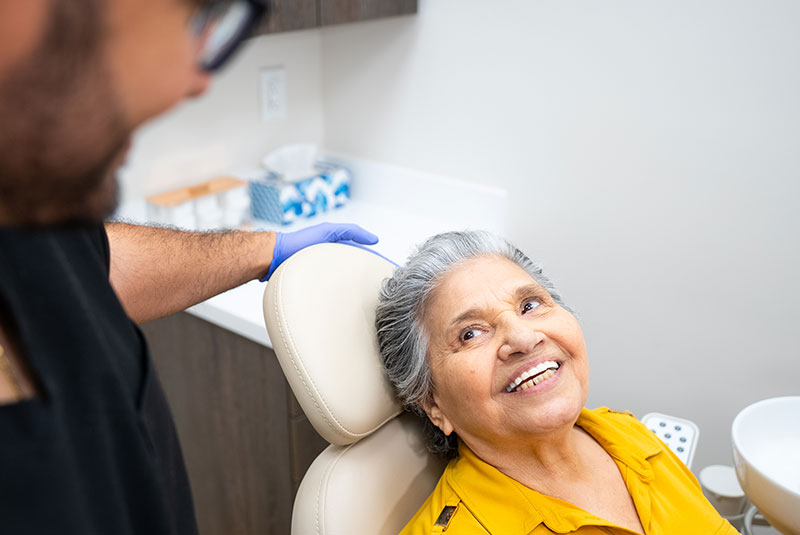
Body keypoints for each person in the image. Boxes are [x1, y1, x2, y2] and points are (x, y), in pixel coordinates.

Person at [0, 1, 376, 534]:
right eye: (197, 19)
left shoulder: (30, 210)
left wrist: (261, 249)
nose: (195, 81)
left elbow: (91, 268)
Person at [375, 231, 740, 535]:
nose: (523, 338)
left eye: (531, 305)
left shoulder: (628, 434)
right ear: (433, 405)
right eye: (470, 333)